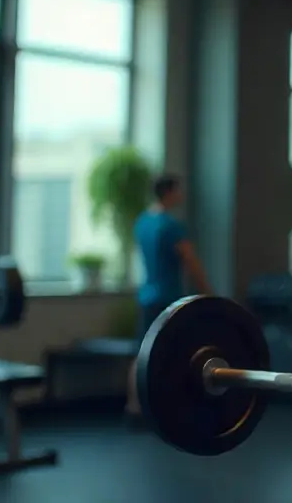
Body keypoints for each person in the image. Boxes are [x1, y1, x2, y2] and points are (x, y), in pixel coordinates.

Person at [127, 174, 211, 423]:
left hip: (147, 296)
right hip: (168, 298)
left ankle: (134, 407)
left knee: (142, 352)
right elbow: (190, 261)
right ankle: (175, 407)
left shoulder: (142, 222)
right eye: (178, 190)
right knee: (177, 353)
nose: (181, 195)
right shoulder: (171, 226)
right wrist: (208, 292)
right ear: (169, 193)